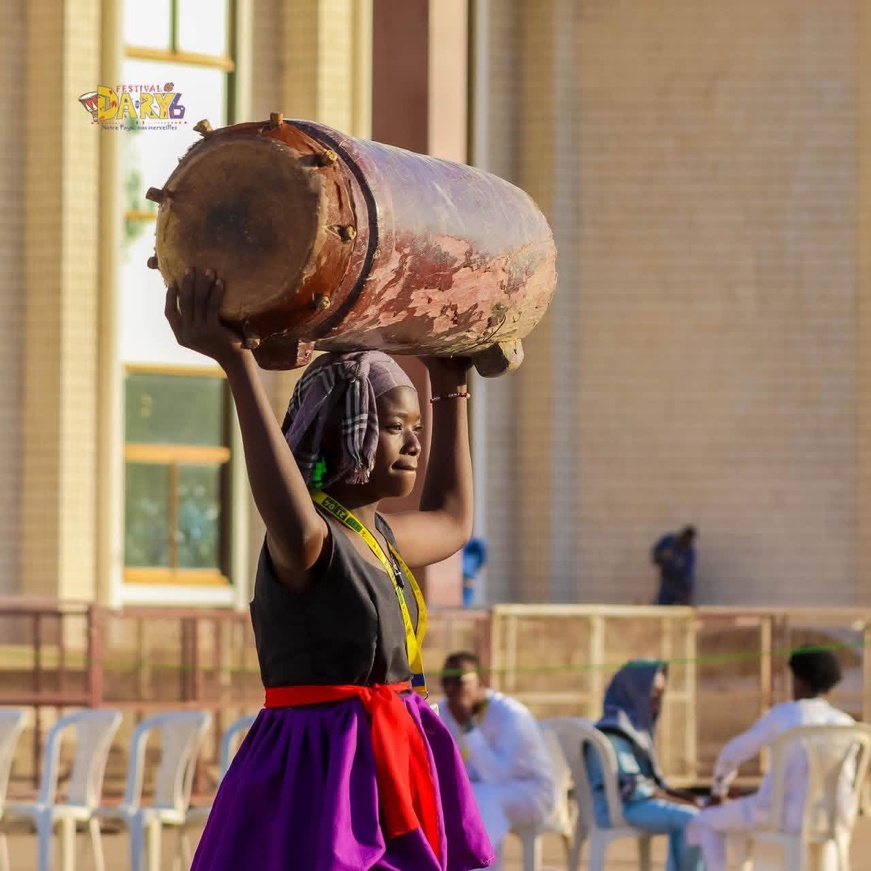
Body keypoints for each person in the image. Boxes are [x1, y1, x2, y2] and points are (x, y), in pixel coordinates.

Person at [164, 267, 494, 871]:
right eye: (396, 427)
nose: (413, 445)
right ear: (345, 436)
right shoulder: (312, 541)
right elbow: (278, 493)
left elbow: (452, 520)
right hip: (321, 776)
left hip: (391, 762)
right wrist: (238, 365)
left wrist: (451, 388)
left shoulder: (381, 537)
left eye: (415, 429)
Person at [686, 646, 854, 871]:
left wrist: (719, 791)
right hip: (834, 817)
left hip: (779, 815)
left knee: (706, 821)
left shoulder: (783, 716)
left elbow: (732, 753)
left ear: (799, 681)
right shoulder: (846, 724)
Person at [437, 651, 555, 869]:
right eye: (446, 681)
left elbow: (496, 775)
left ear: (482, 681)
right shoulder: (443, 709)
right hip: (483, 788)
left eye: (459, 681)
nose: (451, 689)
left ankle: (482, 865)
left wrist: (468, 726)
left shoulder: (511, 715)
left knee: (482, 798)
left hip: (531, 791)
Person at [585, 660, 705, 871]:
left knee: (703, 812)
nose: (657, 700)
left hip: (634, 803)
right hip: (621, 808)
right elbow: (635, 788)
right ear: (634, 691)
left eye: (661, 693)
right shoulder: (613, 732)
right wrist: (684, 802)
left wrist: (689, 798)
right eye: (653, 692)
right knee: (694, 820)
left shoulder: (635, 730)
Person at [652, 526, 697, 605]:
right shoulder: (669, 541)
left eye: (687, 543)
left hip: (679, 584)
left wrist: (687, 593)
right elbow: (655, 553)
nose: (684, 544)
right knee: (663, 604)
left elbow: (689, 575)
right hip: (667, 581)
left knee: (682, 606)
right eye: (683, 540)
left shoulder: (689, 553)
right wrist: (662, 555)